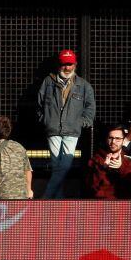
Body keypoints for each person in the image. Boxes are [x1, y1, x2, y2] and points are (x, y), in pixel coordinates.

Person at [37, 49, 95, 199]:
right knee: (58, 167)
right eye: (64, 64)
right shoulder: (48, 82)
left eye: (69, 64)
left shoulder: (84, 85)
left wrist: (82, 122)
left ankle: (47, 197)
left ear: (75, 64)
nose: (67, 68)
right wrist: (46, 119)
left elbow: (90, 107)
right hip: (53, 129)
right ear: (59, 65)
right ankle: (59, 200)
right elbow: (39, 104)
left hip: (72, 131)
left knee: (64, 166)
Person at [84, 124, 131, 199]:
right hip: (101, 204)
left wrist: (121, 168)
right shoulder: (96, 159)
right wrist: (104, 168)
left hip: (123, 205)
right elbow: (92, 188)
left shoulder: (129, 161)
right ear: (106, 139)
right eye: (110, 138)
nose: (113, 142)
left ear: (123, 140)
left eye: (117, 139)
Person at [0, 115, 32, 199]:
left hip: (0, 197)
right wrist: (29, 189)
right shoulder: (19, 147)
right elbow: (28, 170)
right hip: (21, 196)